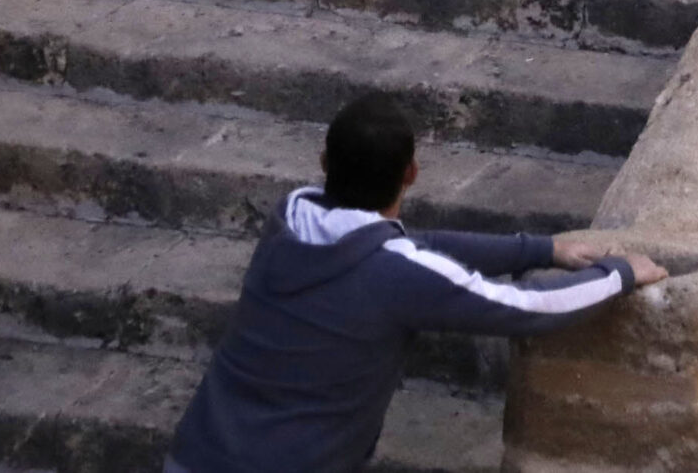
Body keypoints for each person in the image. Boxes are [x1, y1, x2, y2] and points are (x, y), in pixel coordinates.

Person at [167, 93, 668, 473]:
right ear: (411, 173)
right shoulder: (394, 273)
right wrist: (620, 273)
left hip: (196, 454)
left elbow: (411, 243)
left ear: (324, 163)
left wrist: (541, 249)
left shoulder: (289, 220)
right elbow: (526, 307)